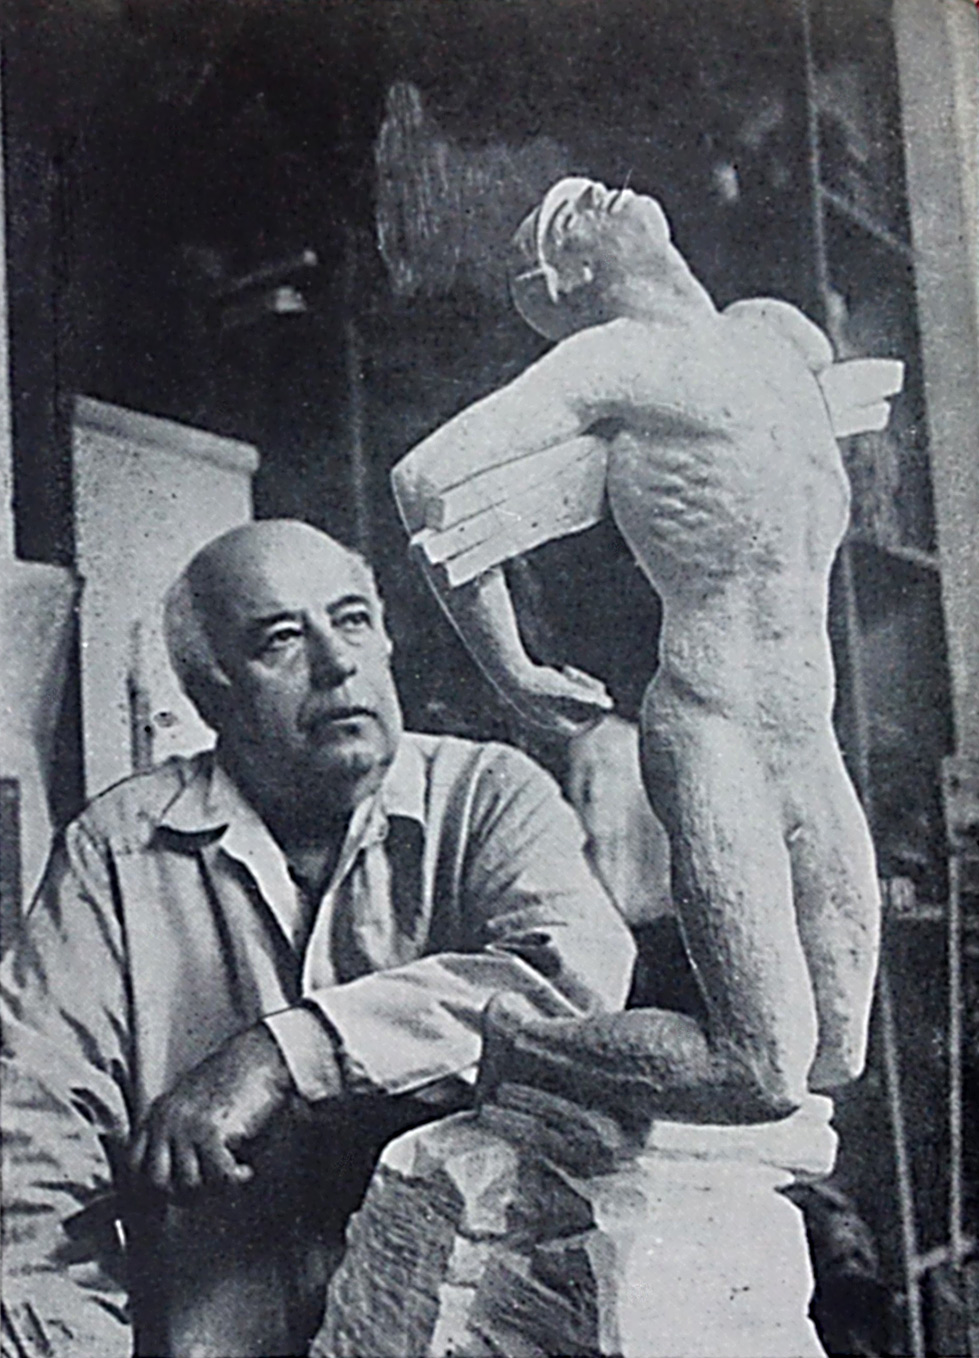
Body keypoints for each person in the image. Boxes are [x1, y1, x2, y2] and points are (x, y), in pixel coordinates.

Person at [0, 518, 636, 1358]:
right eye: (282, 639)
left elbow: (570, 983)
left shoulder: (487, 798)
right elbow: (30, 1164)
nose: (337, 664)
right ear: (210, 694)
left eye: (353, 620)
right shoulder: (115, 853)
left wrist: (282, 1053)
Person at [392, 176, 897, 1129]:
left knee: (838, 1048)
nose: (597, 192)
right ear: (568, 277)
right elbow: (425, 481)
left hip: (810, 737)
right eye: (571, 213)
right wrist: (511, 669)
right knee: (762, 1072)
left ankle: (585, 1089)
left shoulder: (775, 333)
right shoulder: (611, 360)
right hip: (715, 730)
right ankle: (518, 1044)